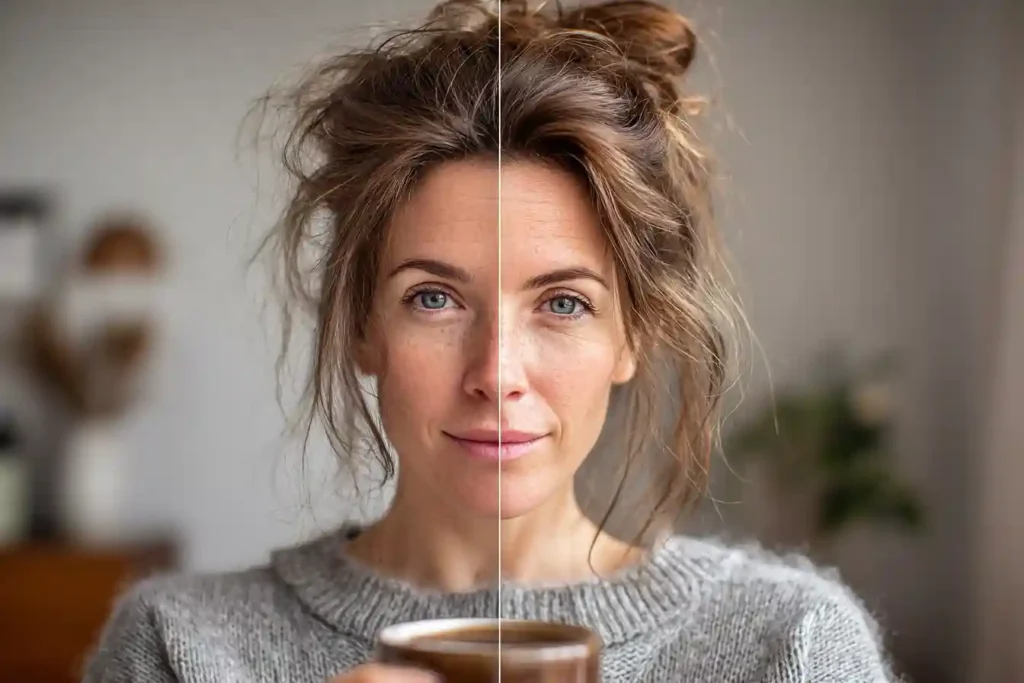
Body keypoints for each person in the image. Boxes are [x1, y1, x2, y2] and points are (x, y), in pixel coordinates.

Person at [84, 1, 897, 681]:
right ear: (362, 324)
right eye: (433, 298)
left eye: (564, 304)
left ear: (634, 334)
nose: (496, 373)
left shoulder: (790, 648)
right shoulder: (177, 648)